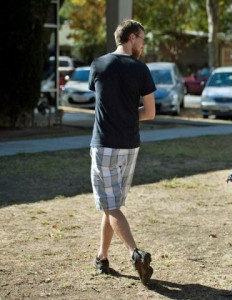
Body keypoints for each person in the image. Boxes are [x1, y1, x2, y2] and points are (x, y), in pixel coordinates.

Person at [88, 19, 156, 285]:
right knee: (112, 205)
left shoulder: (99, 65)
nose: (143, 44)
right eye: (142, 39)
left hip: (104, 144)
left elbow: (102, 101)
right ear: (130, 37)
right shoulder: (141, 69)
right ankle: (101, 257)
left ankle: (135, 253)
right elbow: (149, 112)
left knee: (111, 205)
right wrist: (129, 116)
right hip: (129, 146)